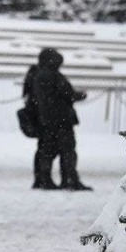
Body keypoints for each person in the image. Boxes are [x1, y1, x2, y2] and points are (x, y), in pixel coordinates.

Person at [32, 47, 90, 191]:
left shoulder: (39, 76)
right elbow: (68, 94)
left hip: (48, 120)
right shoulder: (54, 76)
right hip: (62, 120)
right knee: (68, 151)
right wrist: (81, 95)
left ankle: (45, 179)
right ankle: (69, 179)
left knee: (47, 151)